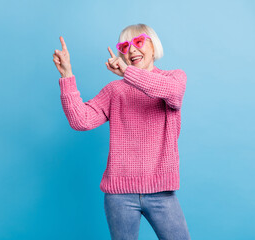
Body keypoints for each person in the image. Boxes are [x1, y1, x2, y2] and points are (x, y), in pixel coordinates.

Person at [53, 23, 191, 240]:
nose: (132, 50)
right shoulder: (114, 91)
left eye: (138, 42)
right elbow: (81, 121)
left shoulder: (174, 78)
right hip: (119, 195)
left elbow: (170, 92)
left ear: (153, 47)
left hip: (162, 193)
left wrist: (127, 72)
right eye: (125, 46)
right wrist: (67, 76)